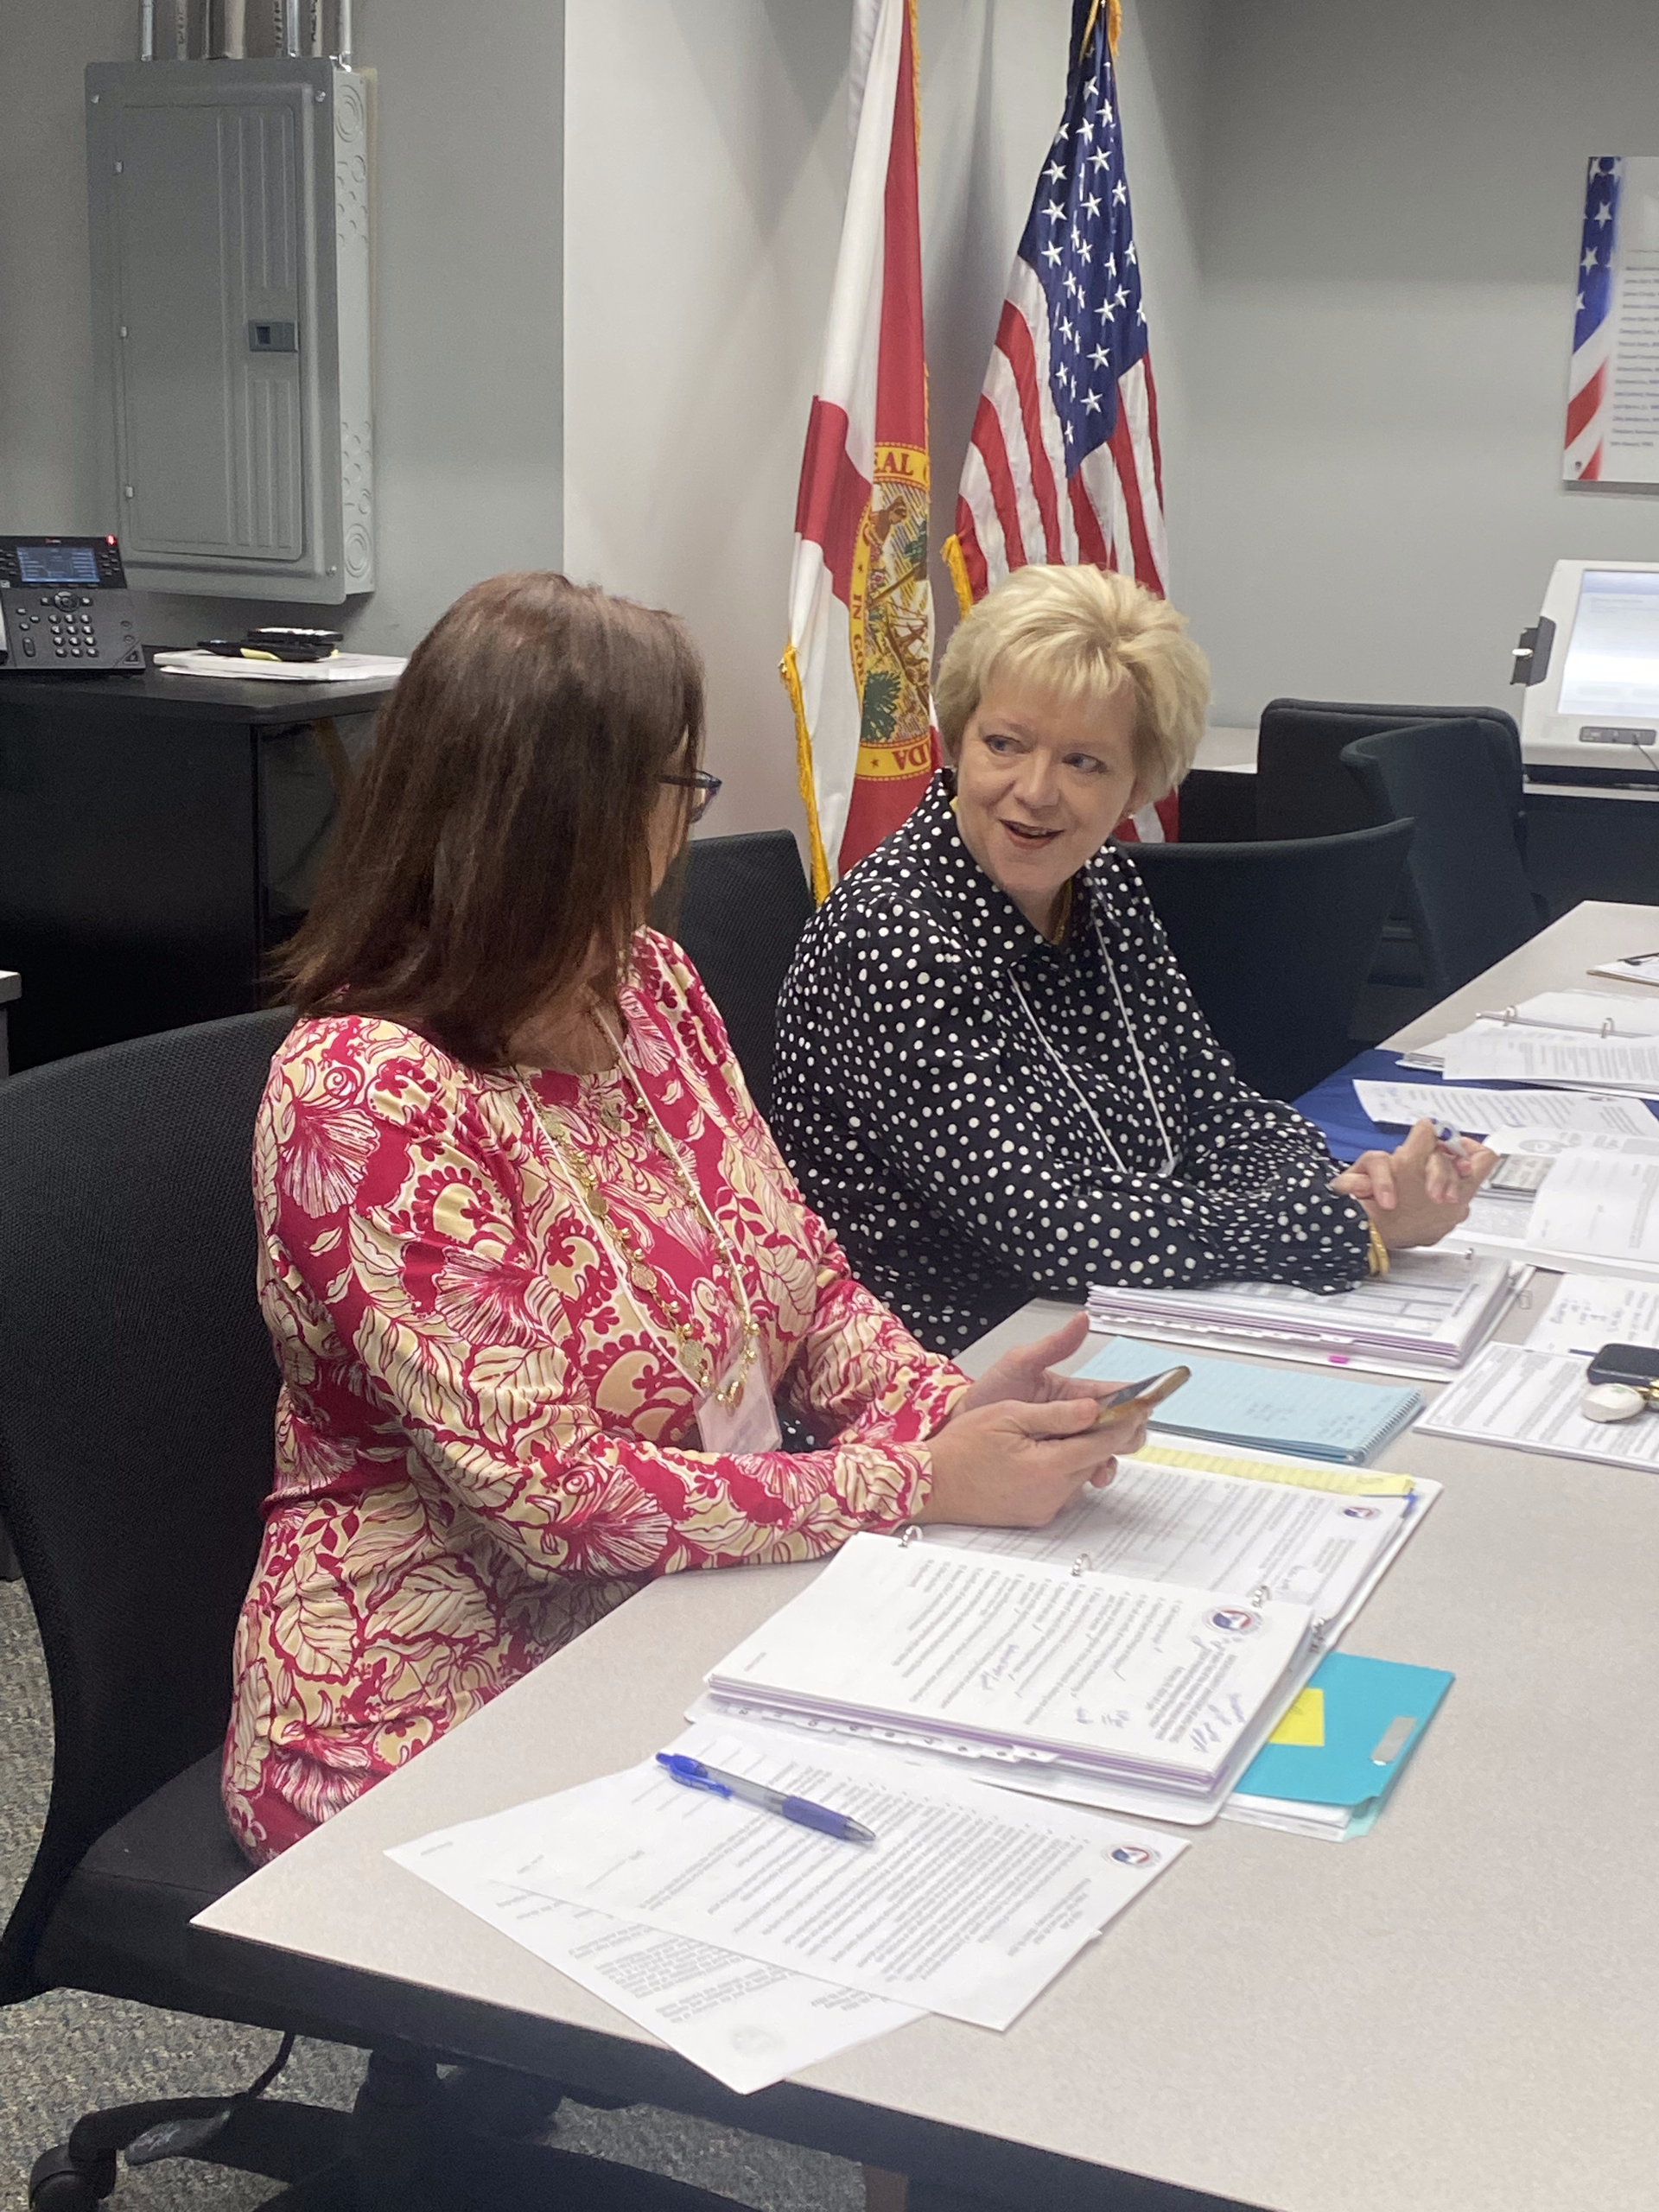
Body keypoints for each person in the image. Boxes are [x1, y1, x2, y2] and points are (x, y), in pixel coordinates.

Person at [223, 571, 1153, 1865]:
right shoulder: (367, 1095)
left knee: (1025, 1770)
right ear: (561, 817)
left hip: (690, 1606)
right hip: (431, 1705)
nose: (689, 821)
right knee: (911, 1853)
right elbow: (549, 1497)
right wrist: (910, 1482)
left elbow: (808, 1282)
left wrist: (945, 1410)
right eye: (678, 788)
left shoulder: (646, 985)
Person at [771, 563, 1495, 1356]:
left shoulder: (1101, 881)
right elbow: (1049, 1226)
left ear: (1138, 784)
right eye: (1004, 744)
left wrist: (1341, 1188)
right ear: (958, 738)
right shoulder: (892, 936)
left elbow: (1215, 1106)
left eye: (1085, 762)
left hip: (1122, 1307)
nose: (1036, 791)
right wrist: (1344, 1228)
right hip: (961, 1356)